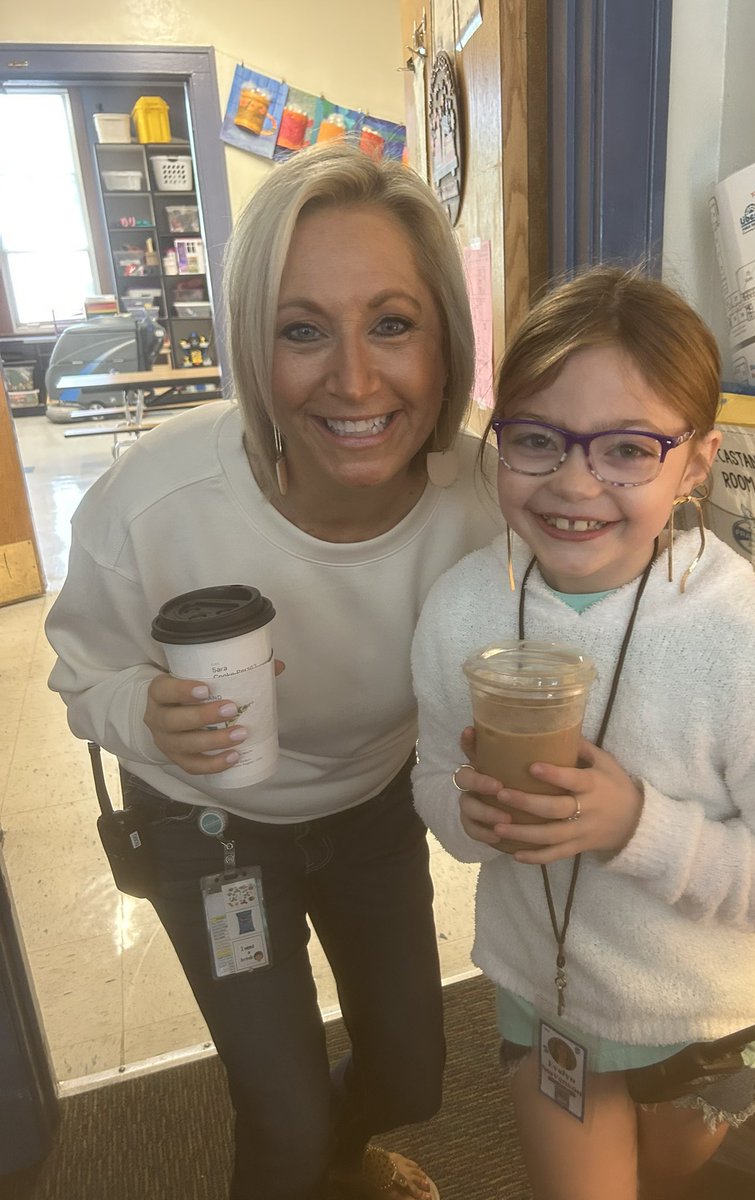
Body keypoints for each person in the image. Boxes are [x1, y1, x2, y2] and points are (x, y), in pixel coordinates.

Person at [46, 142, 501, 1200]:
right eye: (303, 330)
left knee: (412, 1073)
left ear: (447, 338)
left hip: (375, 806)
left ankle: (344, 1158)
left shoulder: (485, 496)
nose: (355, 380)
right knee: (283, 1121)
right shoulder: (155, 500)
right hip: (207, 827)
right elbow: (82, 675)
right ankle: (310, 1161)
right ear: (253, 348)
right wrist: (146, 714)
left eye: (393, 324)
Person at [410, 265, 755, 1200]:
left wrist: (636, 827)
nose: (574, 482)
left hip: (713, 1024)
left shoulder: (744, 646)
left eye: (627, 448)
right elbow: (430, 781)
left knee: (663, 1182)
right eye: (535, 439)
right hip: (549, 997)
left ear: (696, 462)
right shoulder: (464, 610)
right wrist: (470, 815)